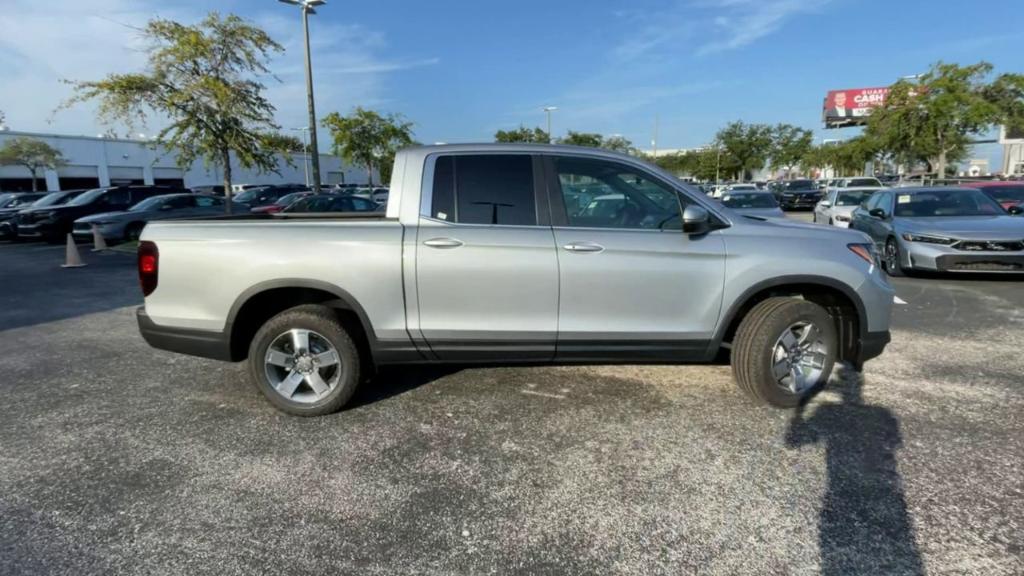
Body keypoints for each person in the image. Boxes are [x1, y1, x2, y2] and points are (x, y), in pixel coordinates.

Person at [785, 369, 924, 575]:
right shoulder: (882, 414)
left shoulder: (828, 411)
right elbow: (893, 443)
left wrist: (803, 403)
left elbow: (793, 439)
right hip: (885, 492)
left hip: (842, 494)